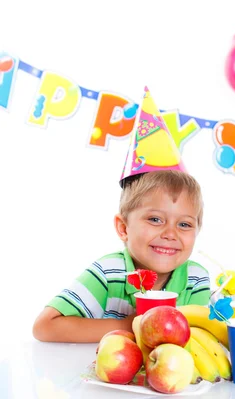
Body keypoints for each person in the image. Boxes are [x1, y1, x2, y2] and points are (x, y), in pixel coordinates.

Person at [33, 87, 210, 343]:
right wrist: (129, 326)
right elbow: (45, 327)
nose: (170, 234)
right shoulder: (108, 272)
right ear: (123, 227)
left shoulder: (196, 279)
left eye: (184, 224)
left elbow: (200, 341)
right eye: (155, 219)